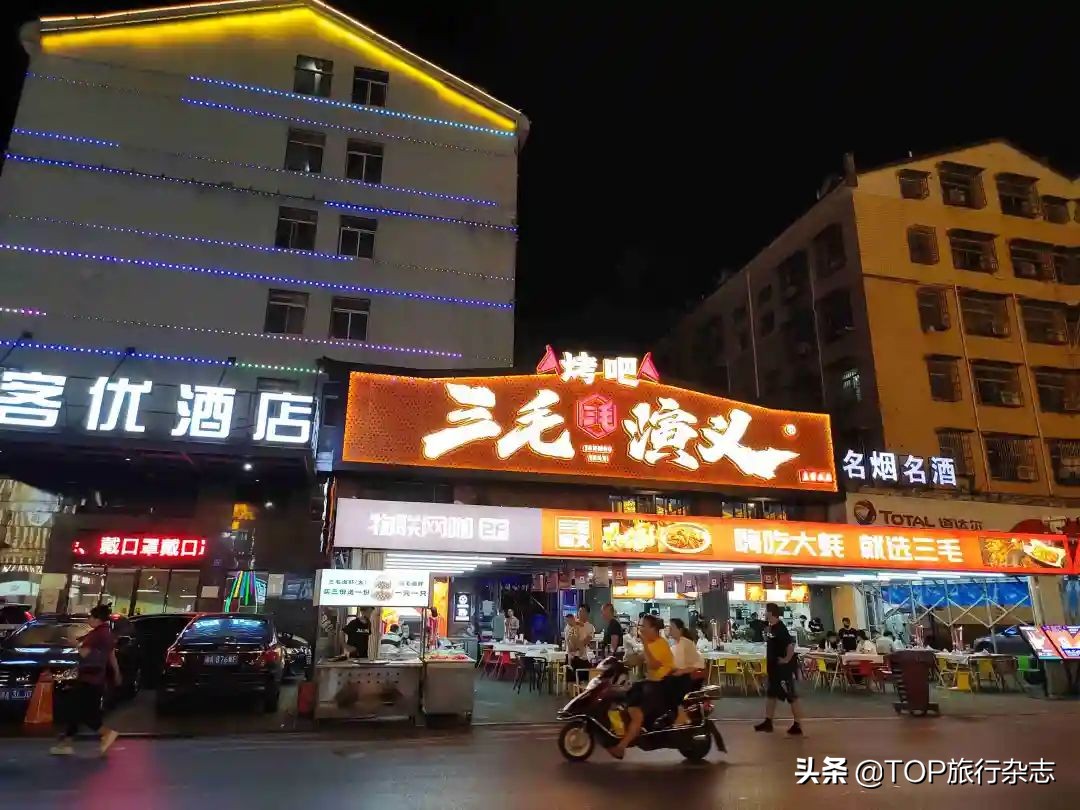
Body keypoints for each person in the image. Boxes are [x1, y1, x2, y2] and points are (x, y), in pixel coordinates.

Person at [51, 604, 121, 756]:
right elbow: (111, 657)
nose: (88, 620)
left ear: (97, 619)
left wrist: (75, 644)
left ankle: (106, 733)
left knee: (82, 713)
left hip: (88, 678)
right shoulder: (108, 634)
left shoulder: (96, 635)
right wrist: (116, 674)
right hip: (97, 678)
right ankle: (67, 743)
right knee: (78, 712)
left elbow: (84, 654)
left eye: (90, 617)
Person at [610, 614, 674, 758]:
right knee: (627, 696)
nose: (641, 629)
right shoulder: (650, 644)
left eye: (643, 626)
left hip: (659, 686)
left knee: (636, 714)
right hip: (649, 683)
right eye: (640, 625)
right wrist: (617, 663)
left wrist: (644, 644)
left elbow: (653, 664)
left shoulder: (661, 643)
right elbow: (637, 659)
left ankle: (621, 746)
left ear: (653, 628)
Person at [754, 603, 803, 736]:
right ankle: (768, 721)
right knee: (771, 694)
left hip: (782, 670)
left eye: (765, 611)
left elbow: (790, 646)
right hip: (773, 669)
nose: (764, 613)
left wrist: (786, 659)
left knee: (791, 695)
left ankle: (797, 724)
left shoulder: (781, 628)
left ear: (771, 613)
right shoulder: (772, 628)